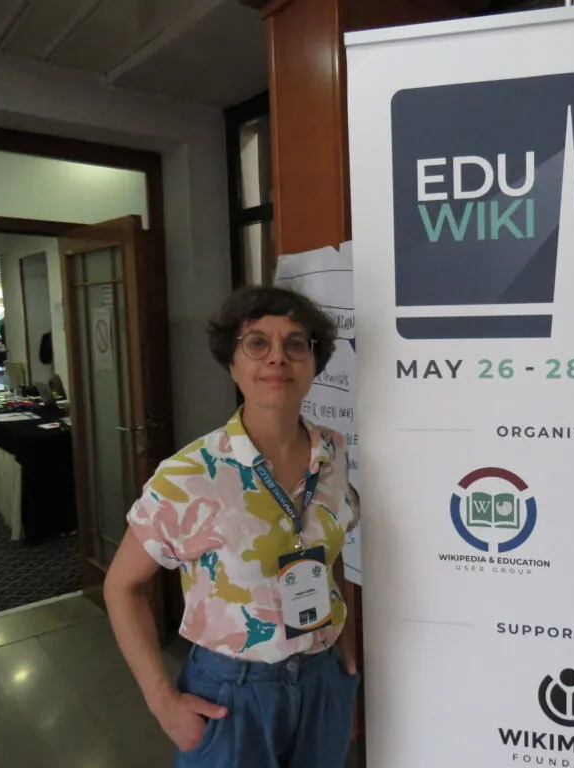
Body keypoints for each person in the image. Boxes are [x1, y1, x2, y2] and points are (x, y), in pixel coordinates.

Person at [104, 286, 360, 767]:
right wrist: (162, 701)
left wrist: (344, 648)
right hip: (233, 693)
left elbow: (331, 549)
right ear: (232, 363)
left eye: (296, 343)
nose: (278, 358)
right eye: (257, 343)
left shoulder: (332, 451)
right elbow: (121, 587)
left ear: (314, 361)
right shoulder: (190, 474)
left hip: (322, 678)